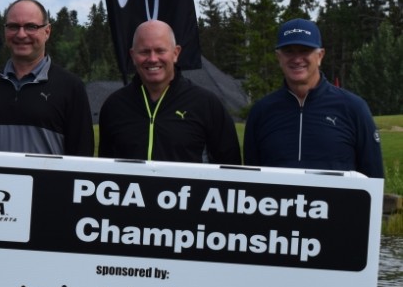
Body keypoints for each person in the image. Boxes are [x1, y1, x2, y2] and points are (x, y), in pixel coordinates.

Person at [244, 18, 383, 177]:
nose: (297, 59)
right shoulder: (261, 111)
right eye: (289, 51)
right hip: (273, 202)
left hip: (338, 202)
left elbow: (374, 179)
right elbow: (250, 181)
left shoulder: (353, 108)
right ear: (278, 57)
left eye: (304, 50)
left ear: (320, 56)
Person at [97, 19, 241, 164]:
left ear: (175, 53)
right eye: (145, 51)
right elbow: (104, 171)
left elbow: (230, 170)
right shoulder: (114, 106)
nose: (152, 59)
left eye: (160, 50)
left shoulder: (206, 104)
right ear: (133, 55)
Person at [0, 0, 94, 156]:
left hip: (48, 182)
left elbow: (82, 156)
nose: (21, 34)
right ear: (5, 31)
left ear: (47, 31)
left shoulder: (71, 88)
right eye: (13, 26)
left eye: (31, 27)